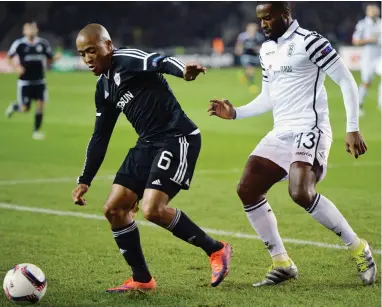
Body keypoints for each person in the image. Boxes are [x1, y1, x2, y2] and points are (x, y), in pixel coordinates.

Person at [208, 1, 376, 287]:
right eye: (260, 19)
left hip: (310, 129)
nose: (263, 25)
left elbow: (346, 80)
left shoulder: (311, 42)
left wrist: (352, 128)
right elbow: (267, 98)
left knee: (300, 192)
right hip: (281, 132)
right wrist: (236, 113)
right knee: (247, 189)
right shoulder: (266, 50)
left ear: (285, 15)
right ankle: (282, 263)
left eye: (268, 19)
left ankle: (359, 248)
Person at [71, 24, 232, 292]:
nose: (87, 58)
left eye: (92, 50)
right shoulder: (104, 88)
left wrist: (183, 71)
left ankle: (216, 250)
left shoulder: (127, 59)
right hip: (147, 143)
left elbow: (159, 61)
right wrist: (84, 179)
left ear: (108, 46)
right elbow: (100, 136)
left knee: (152, 209)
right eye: (82, 54)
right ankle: (142, 279)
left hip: (177, 137)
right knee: (114, 209)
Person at [5, 22, 61, 140]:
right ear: (24, 31)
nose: (31, 31)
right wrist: (17, 68)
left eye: (33, 28)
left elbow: (49, 60)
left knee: (40, 105)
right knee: (25, 108)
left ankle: (36, 131)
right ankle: (15, 107)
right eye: (28, 29)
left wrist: (56, 58)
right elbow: (9, 57)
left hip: (40, 81)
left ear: (37, 30)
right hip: (25, 82)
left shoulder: (43, 44)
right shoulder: (19, 44)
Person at [352, 4, 381, 115]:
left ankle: (380, 103)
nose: (374, 12)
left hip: (380, 57)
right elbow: (355, 41)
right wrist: (369, 40)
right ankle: (359, 105)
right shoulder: (362, 24)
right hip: (368, 57)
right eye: (372, 10)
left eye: (376, 10)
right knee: (366, 82)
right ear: (367, 12)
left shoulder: (380, 23)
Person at [235, 23, 265, 93]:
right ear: (247, 29)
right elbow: (239, 45)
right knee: (250, 68)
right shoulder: (242, 36)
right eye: (250, 29)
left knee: (252, 70)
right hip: (246, 55)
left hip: (255, 56)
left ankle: (244, 75)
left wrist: (258, 50)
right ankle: (252, 85)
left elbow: (261, 46)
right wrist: (238, 50)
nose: (252, 30)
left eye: (253, 29)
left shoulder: (259, 37)